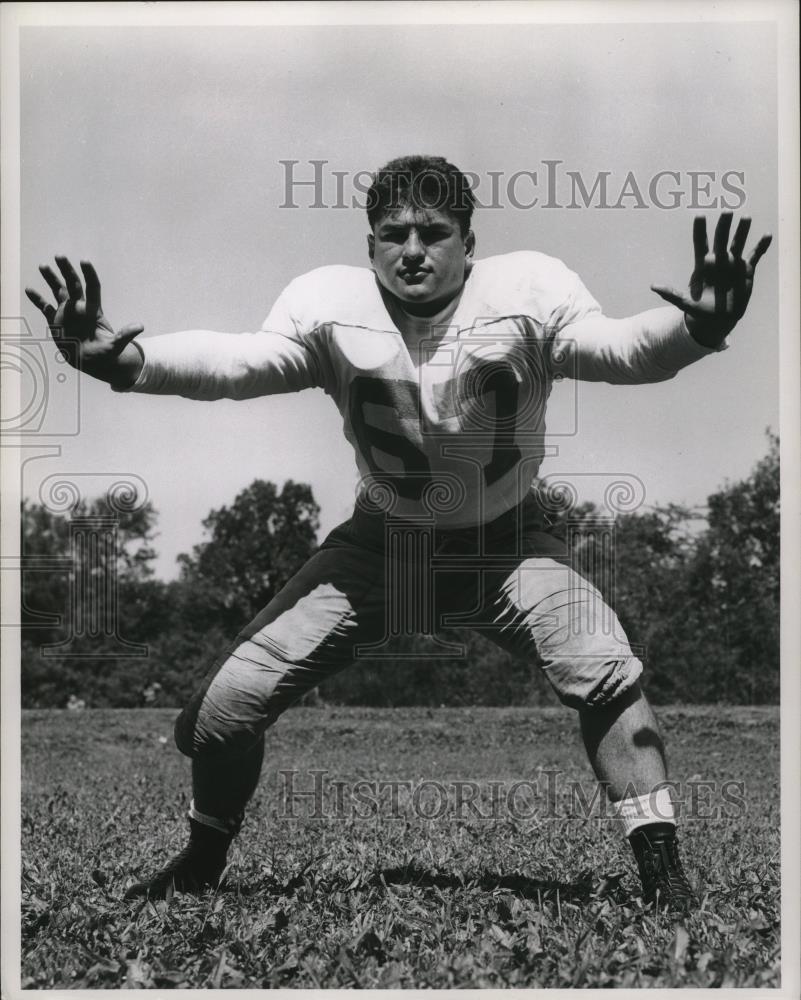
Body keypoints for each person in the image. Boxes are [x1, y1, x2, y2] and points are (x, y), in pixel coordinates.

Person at [26, 155, 771, 911]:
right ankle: (200, 860)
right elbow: (238, 363)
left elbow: (620, 350)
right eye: (392, 234)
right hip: (382, 546)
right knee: (222, 714)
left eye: (432, 232)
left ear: (468, 242)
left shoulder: (526, 291)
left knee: (603, 667)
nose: (411, 249)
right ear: (369, 244)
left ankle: (662, 875)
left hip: (503, 542)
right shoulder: (331, 308)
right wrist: (126, 363)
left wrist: (695, 328)